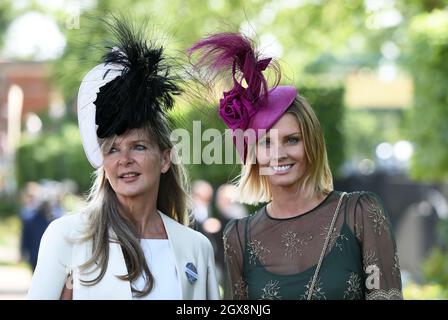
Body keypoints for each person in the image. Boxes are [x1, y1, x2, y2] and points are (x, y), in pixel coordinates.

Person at [188, 32, 402, 300]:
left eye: (292, 140)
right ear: (252, 155)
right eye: (266, 143)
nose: (279, 154)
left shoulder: (360, 213)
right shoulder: (239, 238)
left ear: (311, 144)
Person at [27, 18, 219, 300]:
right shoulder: (66, 236)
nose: (124, 159)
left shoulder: (196, 247)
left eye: (138, 147)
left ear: (165, 158)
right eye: (113, 149)